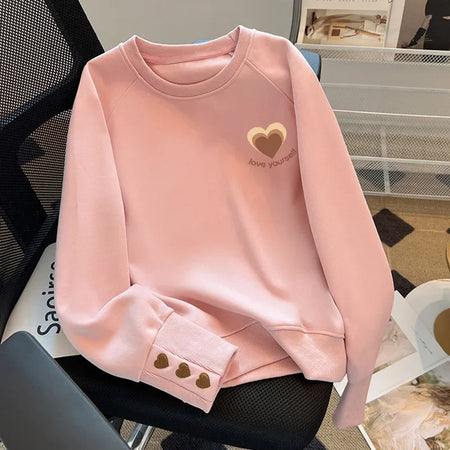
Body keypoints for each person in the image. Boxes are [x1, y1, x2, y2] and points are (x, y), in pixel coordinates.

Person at [364, 382, 450, 449]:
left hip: (403, 435)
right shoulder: (426, 405)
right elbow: (398, 427)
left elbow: (418, 434)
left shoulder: (441, 417)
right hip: (389, 431)